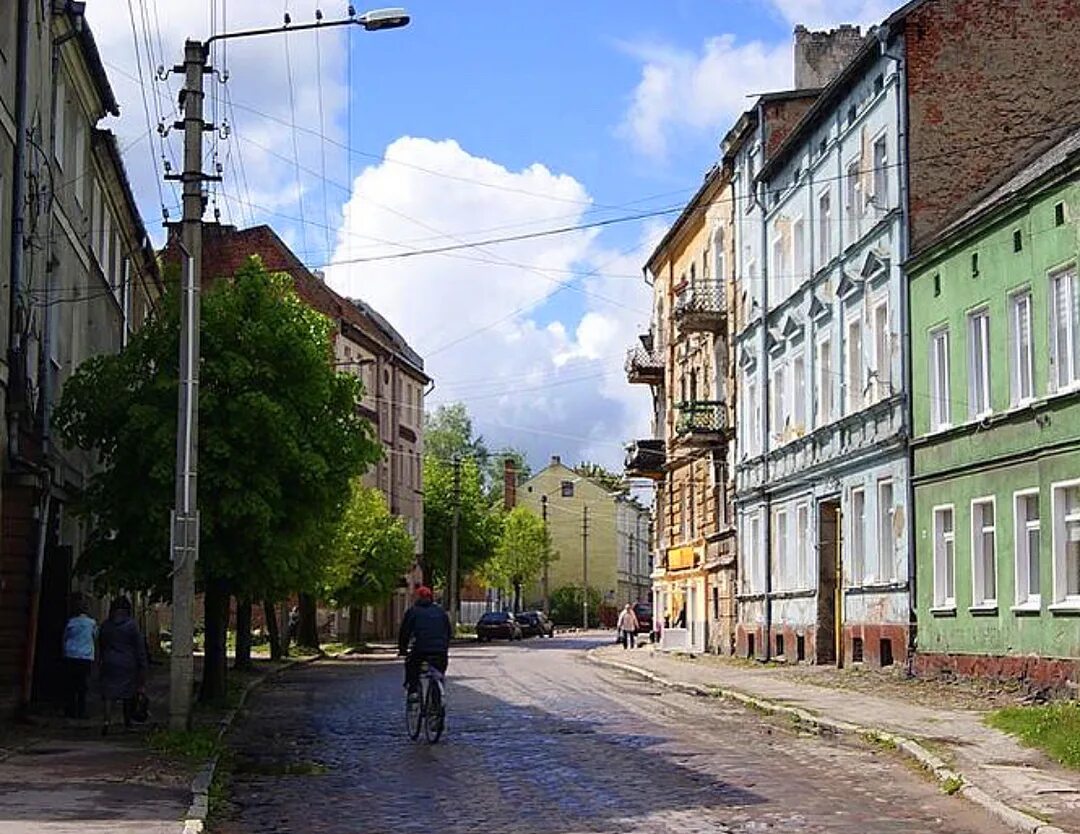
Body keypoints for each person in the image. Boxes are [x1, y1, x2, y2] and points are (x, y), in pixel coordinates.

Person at [98, 596, 148, 735]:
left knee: (108, 693)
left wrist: (102, 660)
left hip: (109, 662)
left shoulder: (106, 625)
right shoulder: (132, 625)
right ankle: (127, 723)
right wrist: (143, 664)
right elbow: (139, 647)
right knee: (128, 693)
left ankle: (106, 721)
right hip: (127, 663)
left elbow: (101, 643)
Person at [397, 586, 451, 700]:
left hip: (421, 648)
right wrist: (444, 646)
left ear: (417, 597)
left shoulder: (413, 611)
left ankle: (413, 691)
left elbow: (405, 632)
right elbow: (448, 631)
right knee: (439, 668)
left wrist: (403, 649)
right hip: (440, 650)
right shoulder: (440, 611)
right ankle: (437, 693)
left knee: (411, 664)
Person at [62, 594, 97, 719]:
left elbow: (65, 638)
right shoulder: (91, 623)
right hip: (85, 656)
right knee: (83, 685)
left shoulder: (71, 622)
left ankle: (70, 710)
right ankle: (81, 711)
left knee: (70, 684)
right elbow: (95, 637)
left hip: (71, 654)